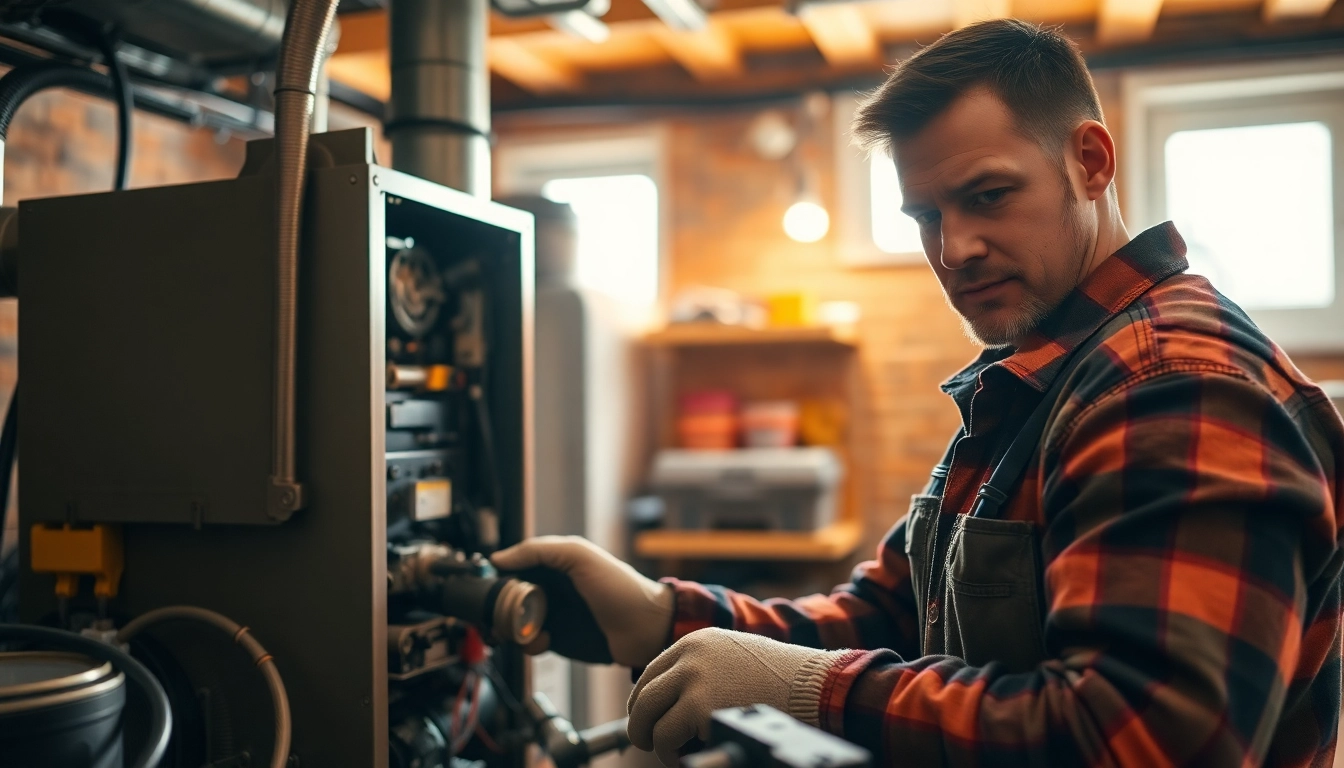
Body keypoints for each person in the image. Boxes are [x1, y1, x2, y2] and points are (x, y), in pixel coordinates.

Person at [491, 18, 1344, 768]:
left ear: (1090, 162)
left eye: (988, 196)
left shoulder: (1174, 384)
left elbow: (1139, 742)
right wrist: (658, 614)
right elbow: (894, 612)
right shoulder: (1039, 381)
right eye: (924, 216)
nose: (955, 247)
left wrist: (811, 691)